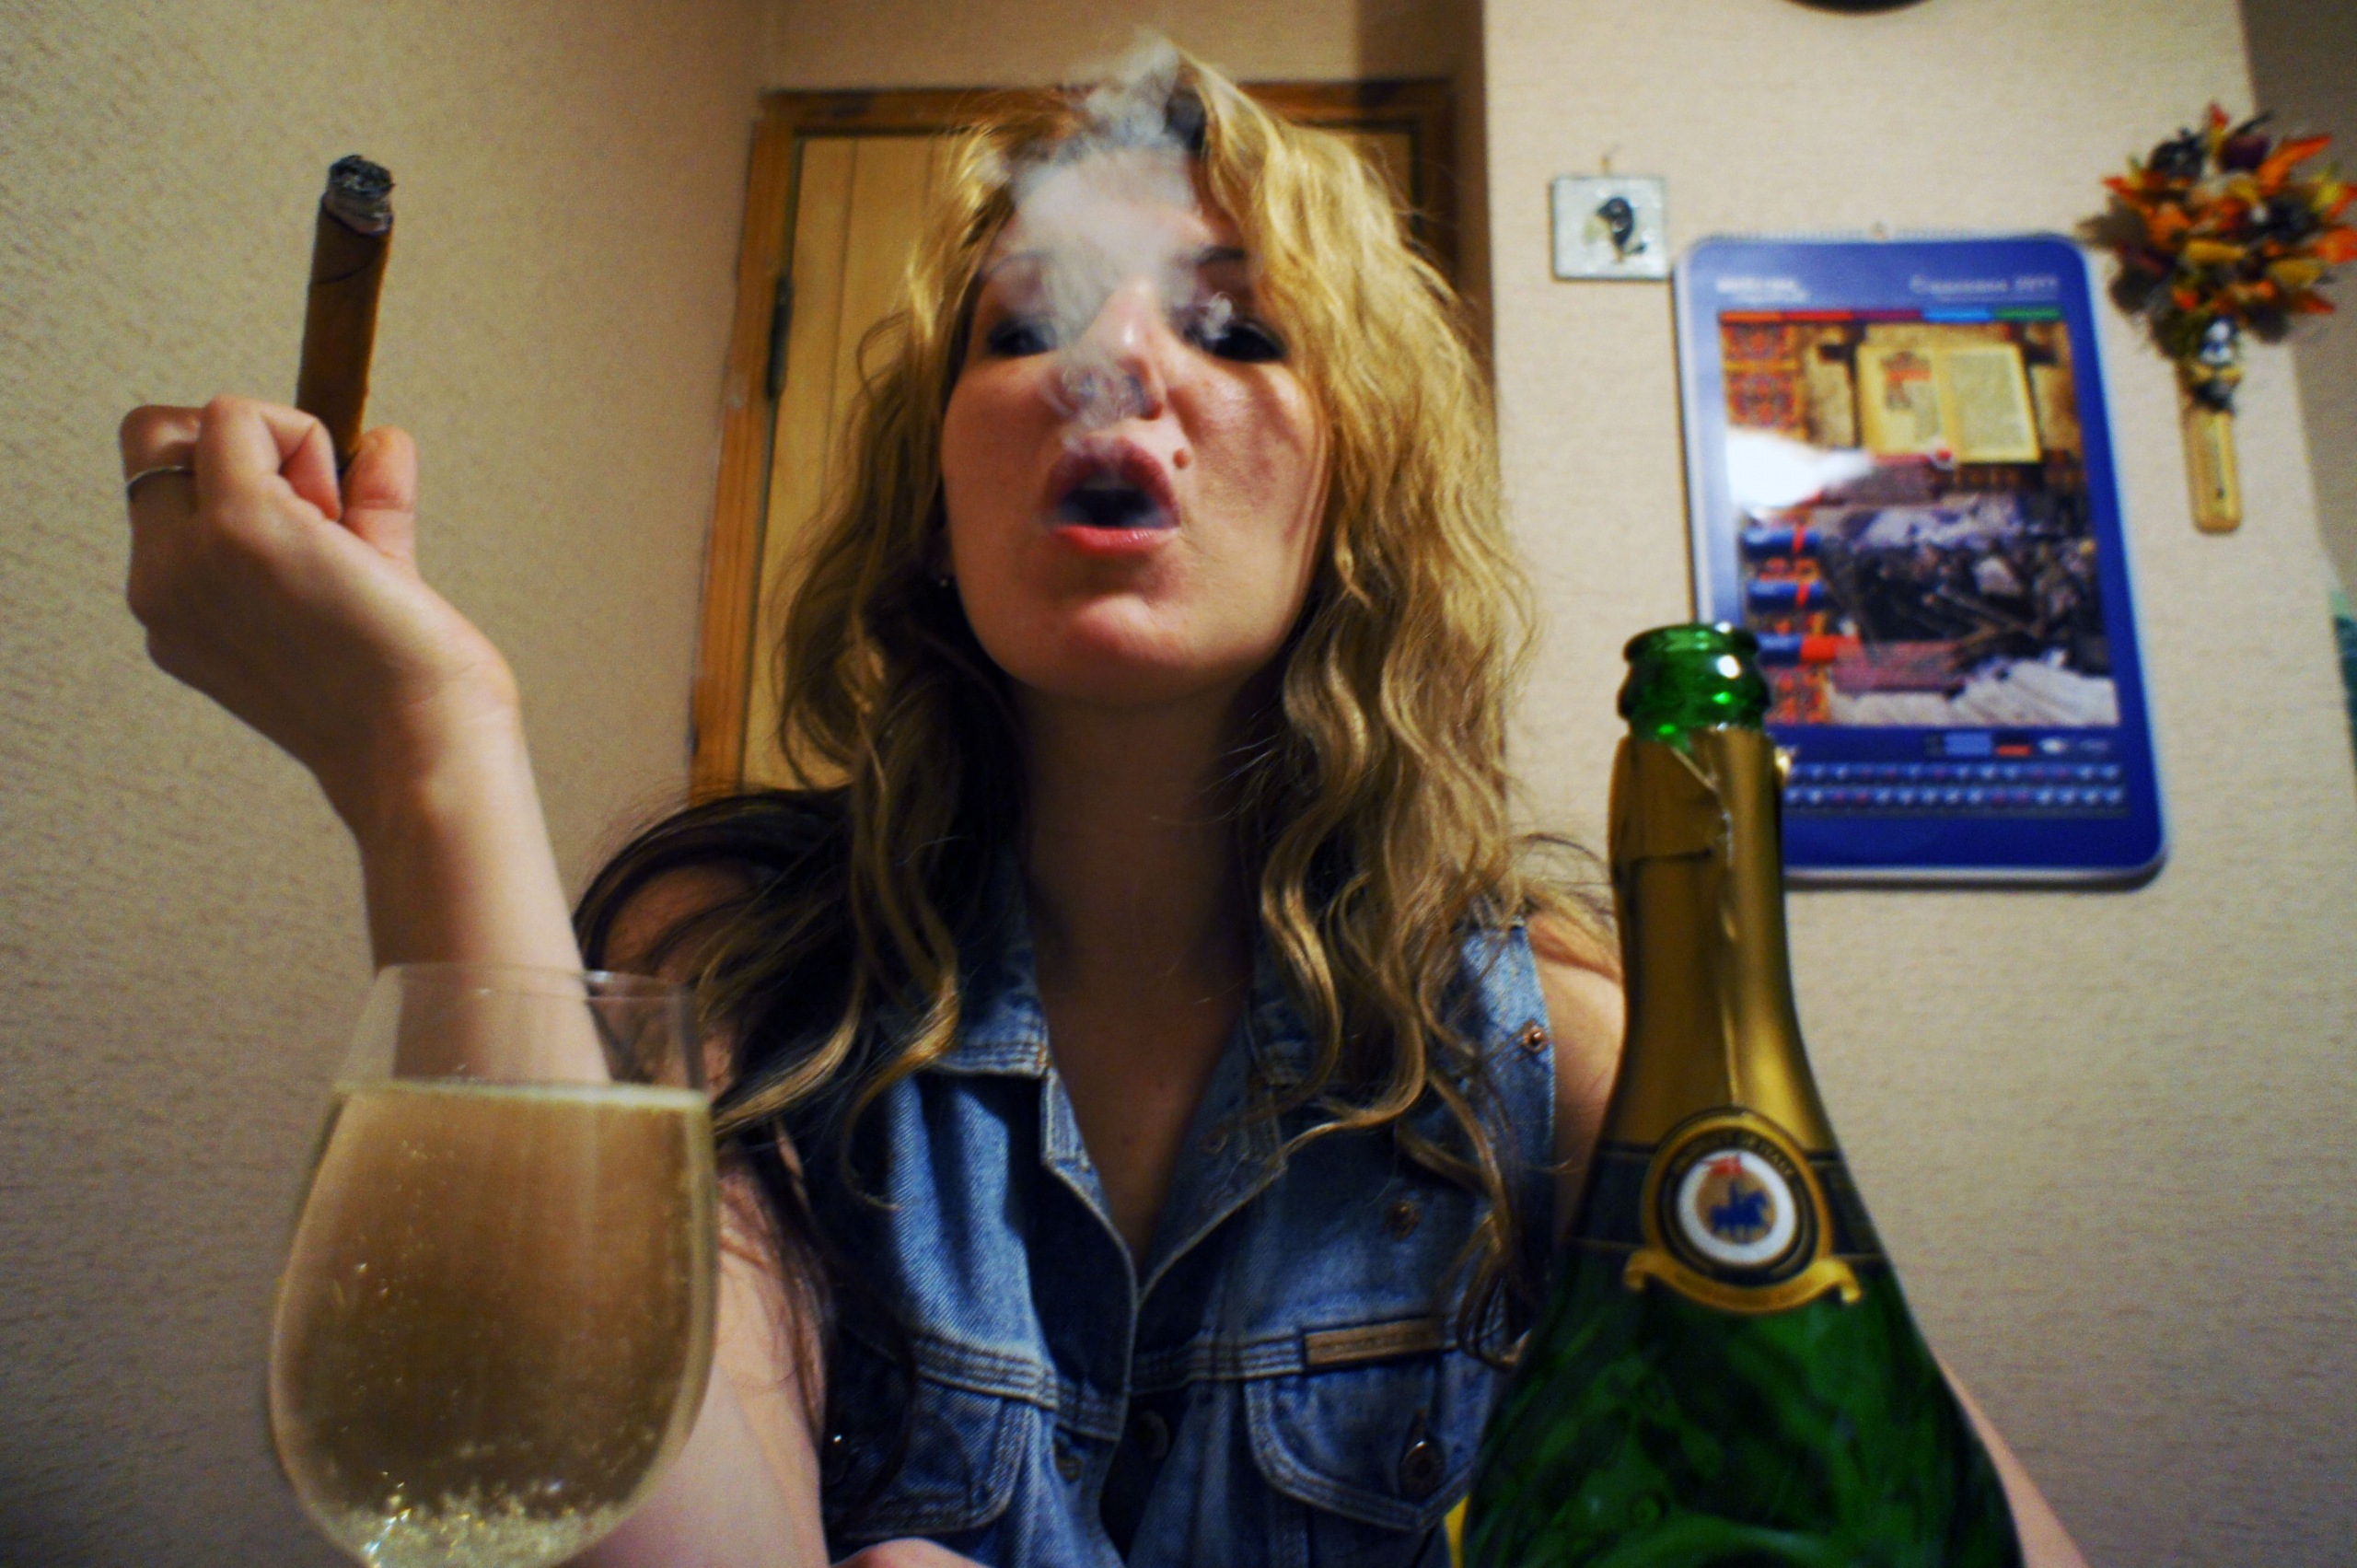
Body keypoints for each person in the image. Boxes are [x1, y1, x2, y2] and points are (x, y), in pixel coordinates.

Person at [119, 46, 2084, 1568]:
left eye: (1231, 328)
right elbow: (595, 1520)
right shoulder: (745, 961)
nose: (1113, 364)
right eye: (1030, 321)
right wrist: (424, 755)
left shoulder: (1548, 1048)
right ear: (935, 493)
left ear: (1356, 502)